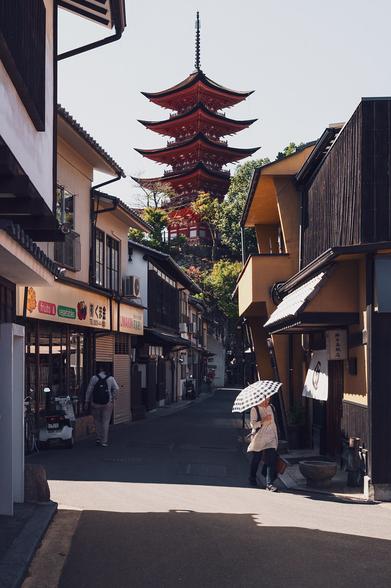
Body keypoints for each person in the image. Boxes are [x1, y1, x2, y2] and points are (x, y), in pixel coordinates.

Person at [247, 397, 279, 491]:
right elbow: (253, 425)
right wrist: (263, 421)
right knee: (257, 458)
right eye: (264, 400)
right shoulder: (255, 409)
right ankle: (252, 477)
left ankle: (269, 484)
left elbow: (274, 422)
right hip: (259, 437)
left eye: (268, 400)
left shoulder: (271, 407)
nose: (267, 402)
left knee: (272, 459)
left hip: (271, 437)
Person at [84, 366, 119, 447]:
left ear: (100, 369)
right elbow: (116, 389)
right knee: (105, 421)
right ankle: (104, 441)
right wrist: (113, 398)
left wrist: (87, 401)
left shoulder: (94, 378)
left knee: (97, 420)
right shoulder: (110, 378)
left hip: (95, 403)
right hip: (107, 403)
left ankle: (98, 437)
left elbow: (89, 390)